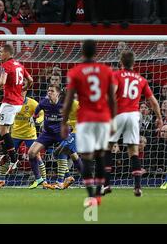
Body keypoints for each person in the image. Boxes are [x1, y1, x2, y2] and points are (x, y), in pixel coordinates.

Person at [61, 40, 117, 207]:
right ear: (96, 53)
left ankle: (91, 195)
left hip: (85, 119)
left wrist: (64, 122)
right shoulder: (106, 70)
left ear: (82, 53)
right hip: (103, 118)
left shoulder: (76, 72)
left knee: (86, 158)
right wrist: (113, 120)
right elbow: (112, 99)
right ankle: (99, 194)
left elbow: (69, 99)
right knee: (100, 155)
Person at [104, 50, 163, 197]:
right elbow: (154, 102)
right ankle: (137, 187)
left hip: (119, 114)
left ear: (121, 63)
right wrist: (160, 118)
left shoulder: (116, 75)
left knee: (107, 147)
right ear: (134, 63)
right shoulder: (141, 79)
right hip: (134, 116)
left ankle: (106, 185)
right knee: (133, 151)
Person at [0, 45, 33, 175]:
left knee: (4, 130)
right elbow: (30, 80)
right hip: (12, 102)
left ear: (7, 53)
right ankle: (5, 154)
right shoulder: (20, 65)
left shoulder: (6, 65)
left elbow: (2, 81)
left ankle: (14, 160)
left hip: (10, 103)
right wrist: (24, 89)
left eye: (1, 52)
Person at [0, 89, 45, 189]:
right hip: (15, 134)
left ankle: (44, 181)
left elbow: (42, 113)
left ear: (26, 92)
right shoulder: (12, 103)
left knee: (36, 156)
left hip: (30, 134)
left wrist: (38, 120)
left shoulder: (32, 103)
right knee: (6, 156)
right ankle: (2, 180)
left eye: (22, 90)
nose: (19, 92)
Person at [51, 97, 83, 189]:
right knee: (70, 155)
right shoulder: (61, 104)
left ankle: (60, 182)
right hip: (71, 132)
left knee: (60, 152)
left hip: (79, 131)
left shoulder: (76, 104)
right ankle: (71, 177)